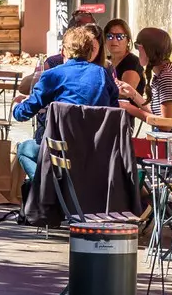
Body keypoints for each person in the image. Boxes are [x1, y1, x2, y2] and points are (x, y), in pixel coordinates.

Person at [11, 24, 118, 181]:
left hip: (62, 151)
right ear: (90, 52)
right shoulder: (103, 74)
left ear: (64, 50)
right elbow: (114, 109)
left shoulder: (53, 75)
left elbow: (23, 114)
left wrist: (16, 107)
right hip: (98, 151)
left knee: (24, 150)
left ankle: (45, 190)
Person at [122, 26, 172, 121]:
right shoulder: (162, 74)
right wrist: (132, 94)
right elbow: (156, 112)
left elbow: (166, 124)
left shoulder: (168, 78)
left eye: (137, 46)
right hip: (168, 135)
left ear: (148, 50)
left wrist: (129, 108)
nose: (137, 51)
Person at [101, 18, 144, 104]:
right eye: (110, 36)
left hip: (124, 114)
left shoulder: (133, 62)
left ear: (128, 40)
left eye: (120, 36)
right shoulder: (105, 61)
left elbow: (124, 94)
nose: (114, 40)